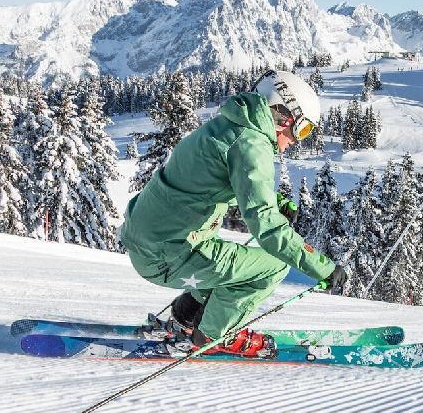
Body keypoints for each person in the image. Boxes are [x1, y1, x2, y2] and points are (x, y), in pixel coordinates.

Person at [120, 70, 347, 357]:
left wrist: (272, 201)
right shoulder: (251, 143)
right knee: (273, 265)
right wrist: (324, 267)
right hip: (168, 256)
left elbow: (216, 181)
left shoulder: (227, 126)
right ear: (284, 116)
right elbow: (267, 226)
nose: (296, 141)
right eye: (301, 130)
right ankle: (215, 335)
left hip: (150, 243)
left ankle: (185, 317)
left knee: (229, 262)